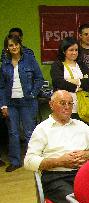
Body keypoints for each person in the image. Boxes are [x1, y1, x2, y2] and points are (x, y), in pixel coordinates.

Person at [24, 90, 89, 203]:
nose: (67, 107)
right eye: (62, 103)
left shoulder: (80, 125)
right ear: (51, 105)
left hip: (84, 173)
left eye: (70, 103)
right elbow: (29, 161)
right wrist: (59, 162)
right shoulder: (42, 129)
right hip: (56, 177)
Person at [0, 34, 44, 172]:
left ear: (20, 45)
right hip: (11, 103)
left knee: (29, 132)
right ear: (7, 48)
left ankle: (34, 160)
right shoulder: (5, 64)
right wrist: (3, 105)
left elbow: (39, 78)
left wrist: (32, 93)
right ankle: (15, 161)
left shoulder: (29, 60)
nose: (14, 47)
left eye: (16, 44)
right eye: (10, 45)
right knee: (13, 133)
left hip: (27, 101)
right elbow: (1, 86)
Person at [50, 37, 89, 121]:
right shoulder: (57, 65)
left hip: (82, 107)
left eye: (76, 50)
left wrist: (73, 81)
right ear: (63, 51)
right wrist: (79, 87)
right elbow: (60, 83)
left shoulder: (81, 64)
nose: (74, 53)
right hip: (64, 108)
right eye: (71, 50)